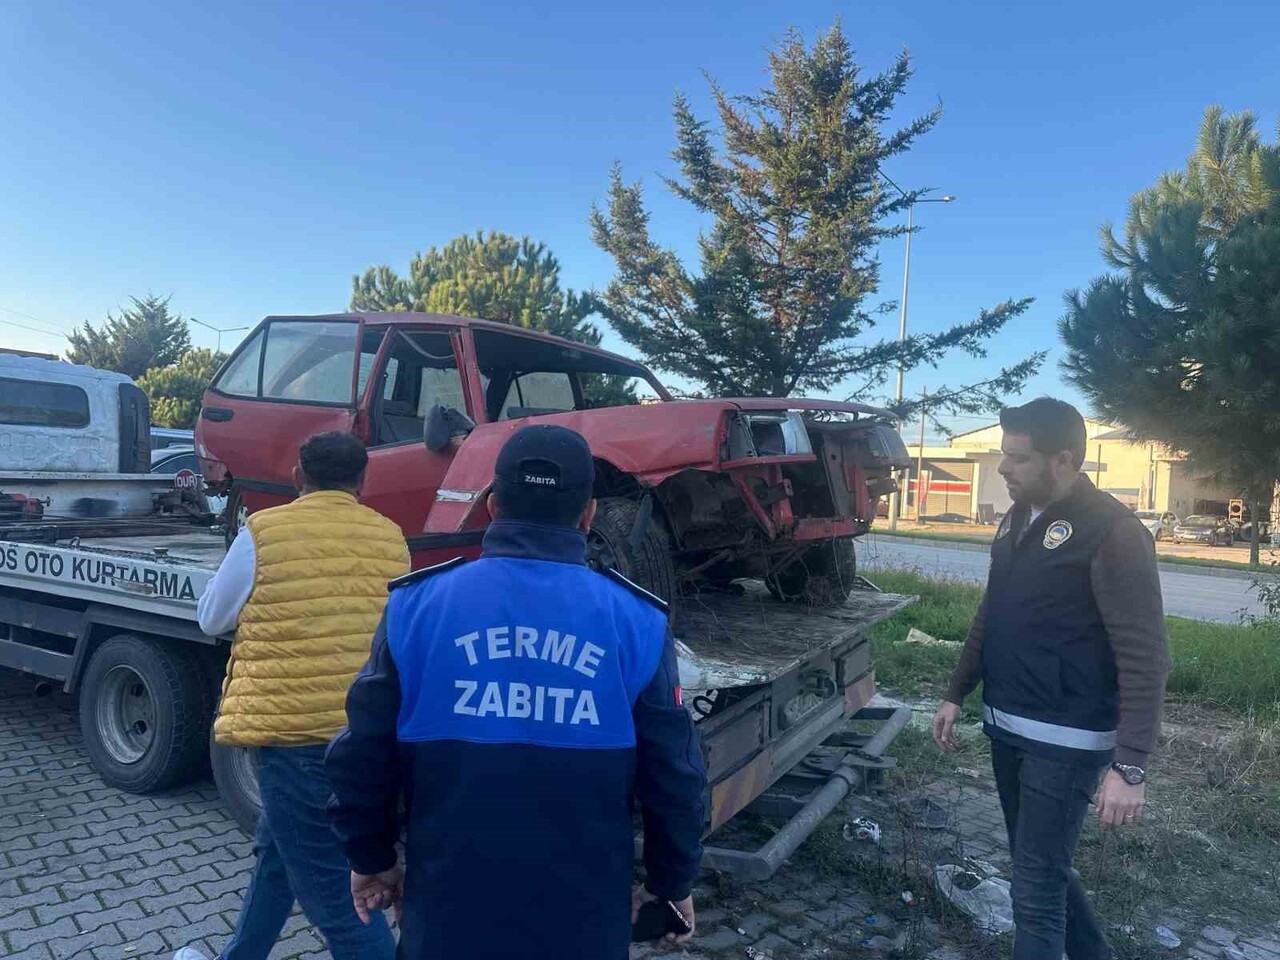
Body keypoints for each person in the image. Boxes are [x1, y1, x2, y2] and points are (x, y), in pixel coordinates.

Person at [326, 423, 708, 960]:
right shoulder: (637, 621)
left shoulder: (417, 607)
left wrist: (372, 858)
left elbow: (362, 753)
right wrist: (671, 882)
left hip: (448, 918)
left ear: (491, 506)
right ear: (588, 515)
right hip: (582, 924)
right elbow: (676, 775)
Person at [932, 398, 1170, 960]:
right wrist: (956, 691)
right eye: (1003, 454)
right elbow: (994, 610)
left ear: (1063, 460)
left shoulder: (1114, 531)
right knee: (1038, 864)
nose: (1003, 468)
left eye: (1018, 458)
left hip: (1067, 739)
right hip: (1009, 725)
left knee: (1034, 889)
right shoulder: (1016, 517)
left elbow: (1145, 654)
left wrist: (1131, 764)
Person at [171, 431, 408, 960]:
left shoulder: (264, 530)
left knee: (339, 902)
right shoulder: (390, 536)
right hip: (366, 733)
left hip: (297, 737)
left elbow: (212, 618)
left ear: (298, 477)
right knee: (277, 855)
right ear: (363, 481)